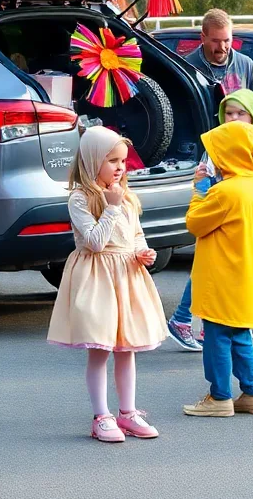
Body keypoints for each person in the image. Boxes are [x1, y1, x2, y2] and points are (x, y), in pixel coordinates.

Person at [47, 126, 167, 442]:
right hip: (97, 278)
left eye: (122, 161)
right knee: (100, 349)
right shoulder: (80, 198)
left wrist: (143, 251)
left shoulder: (125, 197)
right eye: (112, 160)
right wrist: (111, 206)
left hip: (126, 275)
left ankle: (127, 413)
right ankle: (102, 416)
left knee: (126, 349)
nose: (119, 167)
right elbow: (96, 243)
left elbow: (135, 234)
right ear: (91, 160)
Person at [167, 89, 253, 352]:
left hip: (243, 222)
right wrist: (203, 189)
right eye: (229, 113)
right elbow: (202, 201)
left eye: (241, 113)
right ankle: (198, 323)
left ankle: (246, 326)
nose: (234, 118)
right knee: (212, 271)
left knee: (239, 276)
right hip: (218, 218)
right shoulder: (217, 143)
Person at [182, 121, 253, 418]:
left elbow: (195, 222)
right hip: (246, 276)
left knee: (217, 335)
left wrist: (199, 190)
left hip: (222, 276)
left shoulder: (226, 192)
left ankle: (220, 396)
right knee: (240, 334)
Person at [183, 9, 253, 96]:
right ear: (203, 38)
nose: (222, 47)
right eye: (215, 41)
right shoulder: (186, 67)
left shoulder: (246, 65)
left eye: (226, 41)